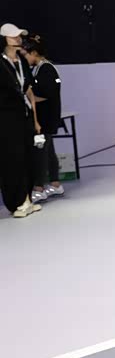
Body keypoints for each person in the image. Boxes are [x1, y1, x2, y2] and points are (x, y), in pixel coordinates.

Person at [0, 23, 41, 218]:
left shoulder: (22, 61)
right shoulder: (1, 63)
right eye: (13, 36)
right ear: (4, 39)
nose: (18, 39)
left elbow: (29, 91)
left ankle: (28, 199)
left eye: (19, 36)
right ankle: (18, 201)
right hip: (6, 119)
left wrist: (35, 119)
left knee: (28, 157)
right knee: (13, 159)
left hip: (24, 116)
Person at [23, 34, 65, 202]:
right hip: (44, 118)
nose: (24, 58)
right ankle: (55, 183)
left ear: (34, 53)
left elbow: (46, 94)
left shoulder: (47, 69)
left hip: (45, 119)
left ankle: (39, 187)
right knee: (48, 151)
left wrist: (28, 97)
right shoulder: (39, 69)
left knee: (40, 152)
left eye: (26, 54)